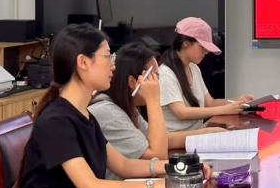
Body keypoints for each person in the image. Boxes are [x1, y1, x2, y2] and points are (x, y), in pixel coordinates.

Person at [10, 24, 212, 188]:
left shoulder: (84, 114)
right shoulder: (57, 121)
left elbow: (123, 165)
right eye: (108, 56)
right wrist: (161, 186)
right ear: (83, 62)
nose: (113, 65)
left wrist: (180, 168)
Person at [89, 42, 227, 180]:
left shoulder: (127, 107)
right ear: (132, 82)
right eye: (154, 77)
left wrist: (205, 134)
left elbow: (163, 140)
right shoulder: (109, 112)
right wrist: (153, 100)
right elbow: (157, 158)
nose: (158, 84)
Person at [160, 17, 255, 132]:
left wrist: (239, 100)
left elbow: (210, 103)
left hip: (197, 133)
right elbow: (182, 113)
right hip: (175, 138)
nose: (206, 52)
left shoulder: (193, 68)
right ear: (186, 43)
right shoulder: (166, 74)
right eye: (203, 47)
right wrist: (224, 110)